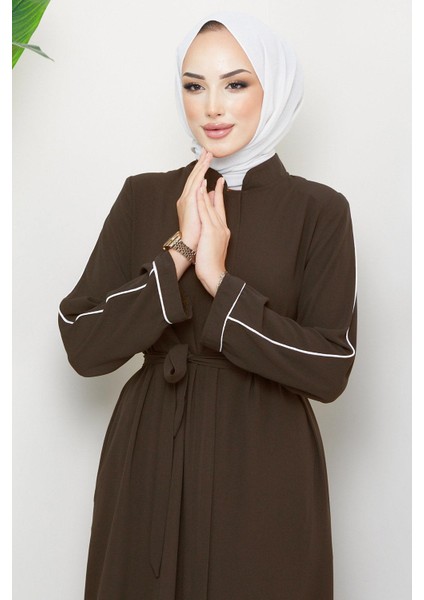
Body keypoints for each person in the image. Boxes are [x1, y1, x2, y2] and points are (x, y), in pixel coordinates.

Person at [58, 11, 357, 600]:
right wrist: (179, 252)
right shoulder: (144, 195)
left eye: (236, 84)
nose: (212, 107)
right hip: (150, 454)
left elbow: (330, 366)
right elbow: (83, 342)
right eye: (195, 86)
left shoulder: (319, 211)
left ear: (274, 88)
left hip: (265, 463)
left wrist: (220, 280)